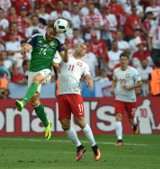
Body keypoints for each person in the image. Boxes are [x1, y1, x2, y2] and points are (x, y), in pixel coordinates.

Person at [15, 23, 69, 140]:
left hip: (46, 70)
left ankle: (23, 103)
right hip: (32, 71)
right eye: (51, 32)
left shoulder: (57, 42)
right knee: (35, 102)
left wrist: (67, 50)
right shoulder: (37, 37)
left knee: (37, 79)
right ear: (47, 29)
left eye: (55, 34)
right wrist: (24, 50)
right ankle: (47, 124)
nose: (52, 35)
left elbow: (65, 59)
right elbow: (27, 47)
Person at [53, 43, 101, 161]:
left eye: (85, 49)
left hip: (75, 93)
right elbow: (55, 63)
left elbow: (88, 75)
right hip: (62, 94)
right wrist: (54, 63)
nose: (82, 49)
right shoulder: (65, 57)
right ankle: (80, 147)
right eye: (81, 46)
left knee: (80, 121)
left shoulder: (84, 64)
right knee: (65, 125)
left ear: (85, 54)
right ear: (76, 48)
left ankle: (95, 147)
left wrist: (90, 80)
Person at [110, 52, 142, 146]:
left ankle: (135, 125)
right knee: (118, 116)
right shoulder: (116, 71)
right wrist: (112, 88)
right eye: (121, 59)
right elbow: (114, 80)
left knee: (131, 119)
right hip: (119, 98)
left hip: (130, 99)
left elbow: (140, 83)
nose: (123, 61)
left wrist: (130, 86)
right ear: (119, 60)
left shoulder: (133, 71)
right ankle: (119, 140)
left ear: (128, 61)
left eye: (125, 59)